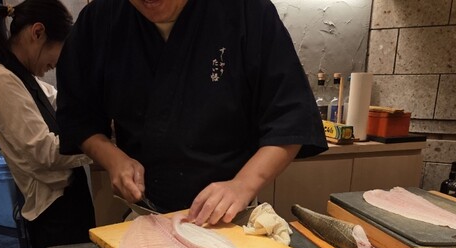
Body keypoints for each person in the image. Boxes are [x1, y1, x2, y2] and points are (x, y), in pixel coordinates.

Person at [56, 0, 327, 226]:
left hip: (232, 218)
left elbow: (291, 118)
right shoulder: (100, 20)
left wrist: (243, 185)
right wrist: (113, 158)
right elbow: (78, 116)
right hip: (146, 215)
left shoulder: (248, 10)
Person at [0, 0, 95, 248]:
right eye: (57, 55)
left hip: (69, 200)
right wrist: (99, 146)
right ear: (38, 32)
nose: (55, 64)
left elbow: (60, 101)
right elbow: (44, 152)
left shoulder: (23, 75)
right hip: (53, 211)